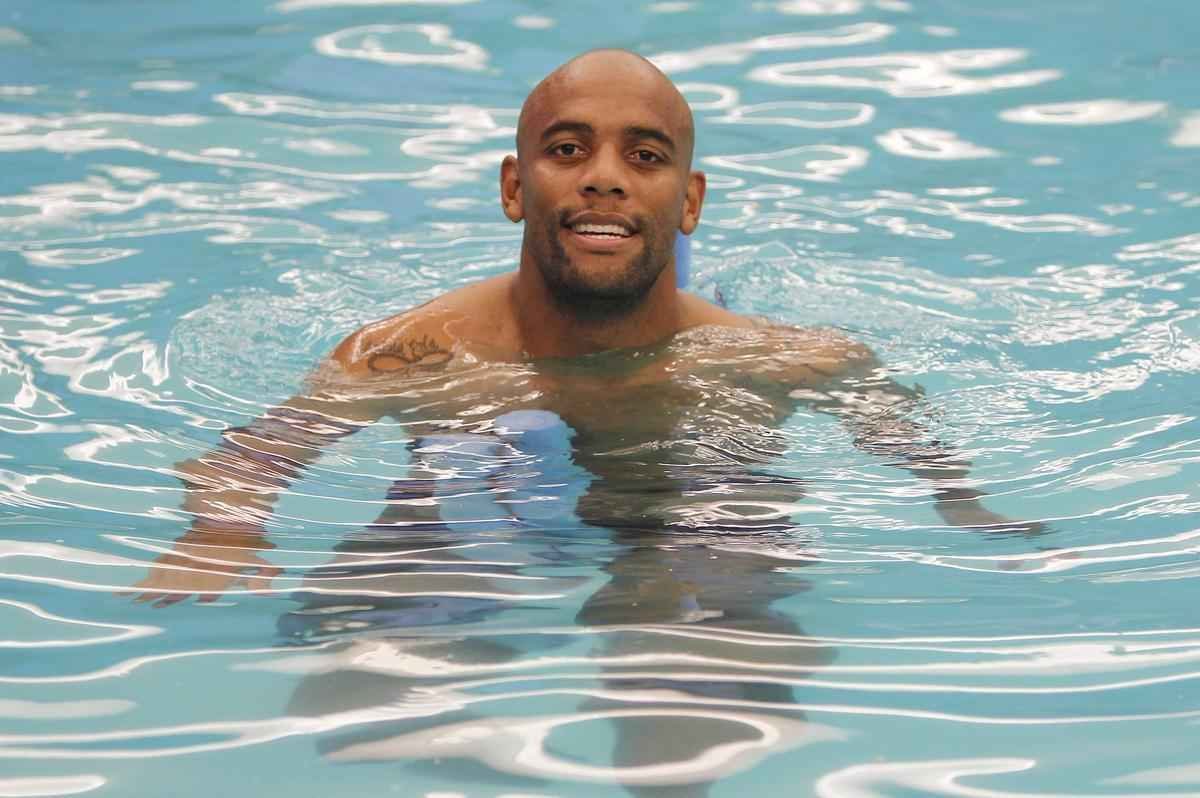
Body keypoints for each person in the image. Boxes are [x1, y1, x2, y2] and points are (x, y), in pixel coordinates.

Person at [132, 49, 1037, 795]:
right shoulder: (411, 352)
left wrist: (971, 509)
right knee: (357, 697)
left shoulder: (784, 359)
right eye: (568, 150)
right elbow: (256, 452)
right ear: (514, 186)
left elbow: (906, 435)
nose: (605, 179)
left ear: (688, 203)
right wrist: (224, 527)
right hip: (478, 479)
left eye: (645, 157)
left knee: (694, 727)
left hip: (698, 494)